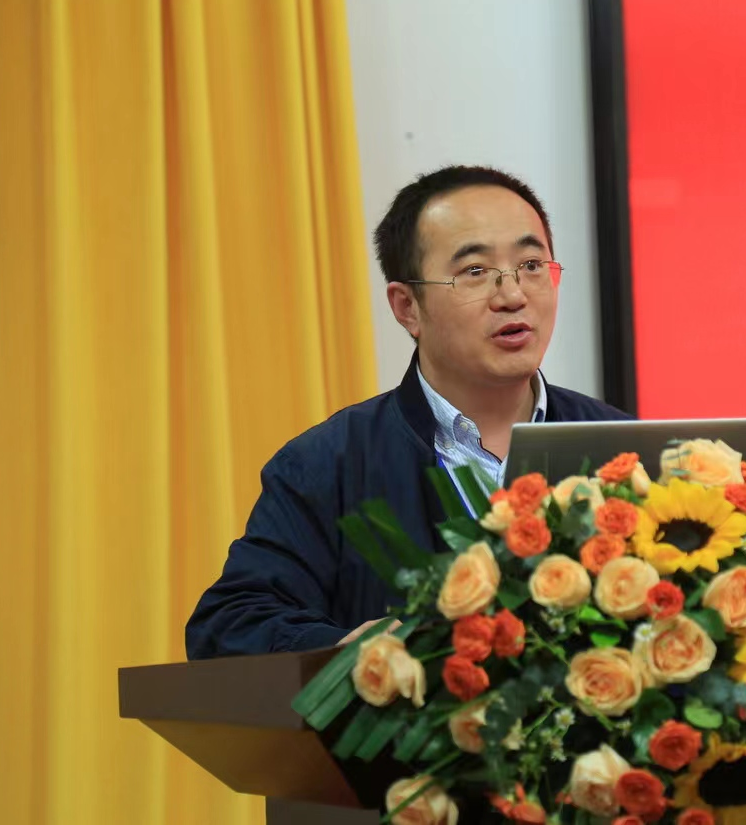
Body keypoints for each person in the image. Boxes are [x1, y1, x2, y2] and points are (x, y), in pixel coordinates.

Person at [185, 165, 630, 658]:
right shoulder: (329, 466)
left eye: (531, 264)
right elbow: (229, 624)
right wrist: (347, 651)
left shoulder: (623, 451)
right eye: (475, 271)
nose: (513, 295)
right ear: (407, 307)